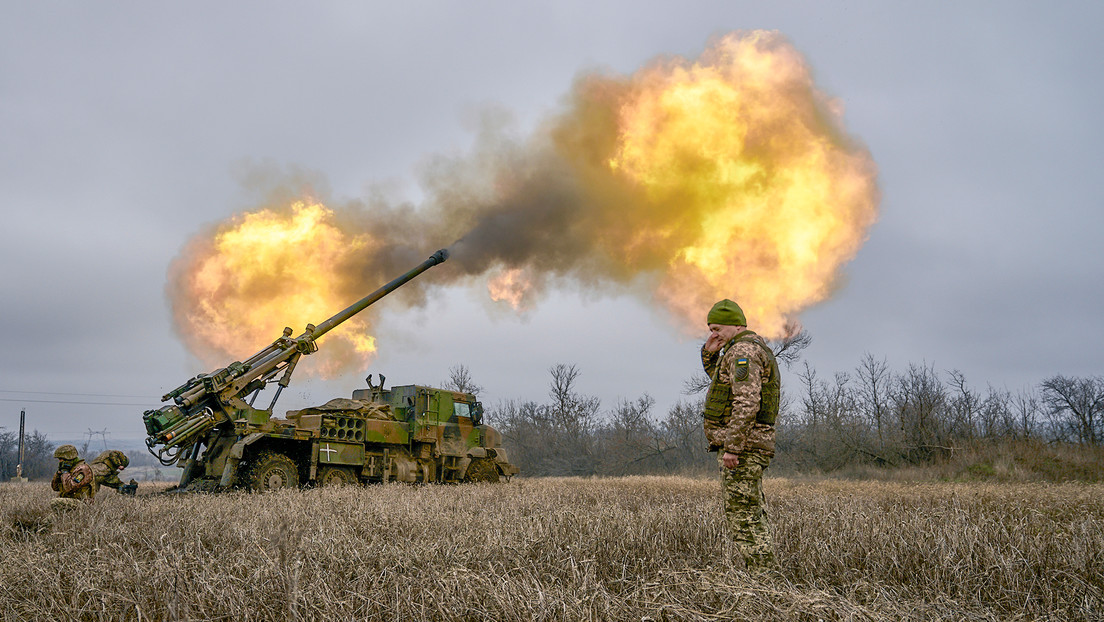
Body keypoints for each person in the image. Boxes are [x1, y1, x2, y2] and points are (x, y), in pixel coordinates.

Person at [701, 299, 781, 571]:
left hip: (744, 450)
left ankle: (765, 583)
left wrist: (733, 447)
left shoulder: (743, 352)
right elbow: (724, 384)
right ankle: (764, 578)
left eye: (717, 328)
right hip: (750, 446)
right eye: (711, 330)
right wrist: (710, 354)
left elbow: (746, 402)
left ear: (736, 325)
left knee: (744, 517)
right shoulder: (741, 350)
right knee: (750, 513)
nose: (714, 334)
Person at [50, 444, 96, 511]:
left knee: (55, 502)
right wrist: (58, 474)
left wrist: (65, 472)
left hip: (83, 505)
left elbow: (69, 487)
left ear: (68, 458)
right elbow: (55, 487)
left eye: (61, 459)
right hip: (70, 504)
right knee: (45, 521)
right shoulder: (69, 469)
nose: (59, 461)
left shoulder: (83, 469)